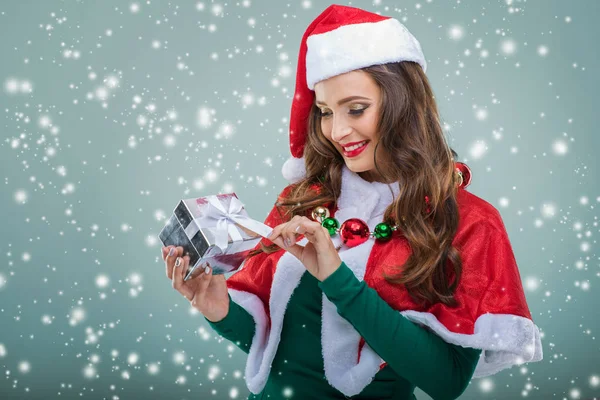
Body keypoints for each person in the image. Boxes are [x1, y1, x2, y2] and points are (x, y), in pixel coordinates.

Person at [162, 4, 543, 399]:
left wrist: (339, 281)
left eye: (356, 109)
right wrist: (219, 310)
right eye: (325, 112)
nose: (338, 131)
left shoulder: (470, 223)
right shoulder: (304, 199)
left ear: (403, 104)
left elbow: (445, 382)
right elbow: (281, 353)